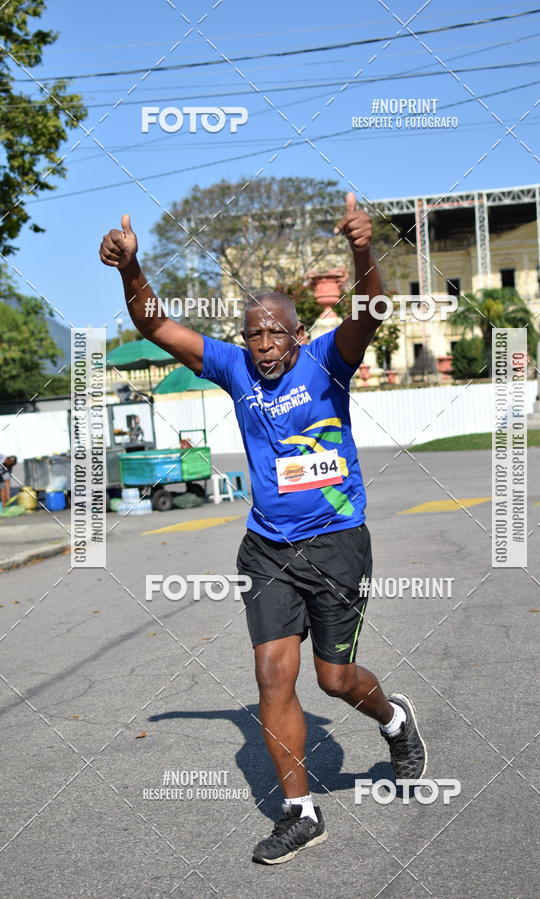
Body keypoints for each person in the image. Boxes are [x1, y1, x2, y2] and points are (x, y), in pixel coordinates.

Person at [99, 194, 426, 864]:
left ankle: (394, 720)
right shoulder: (233, 368)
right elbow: (156, 324)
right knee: (274, 675)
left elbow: (370, 310)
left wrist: (363, 251)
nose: (265, 344)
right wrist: (131, 270)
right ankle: (300, 812)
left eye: (276, 332)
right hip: (269, 548)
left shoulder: (329, 361)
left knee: (334, 679)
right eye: (254, 334)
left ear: (298, 334)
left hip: (337, 543)